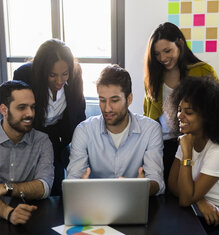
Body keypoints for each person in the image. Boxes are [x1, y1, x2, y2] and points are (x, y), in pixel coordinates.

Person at [67, 64, 165, 196]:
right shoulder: (84, 130)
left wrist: (142, 188)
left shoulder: (151, 130)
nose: (107, 108)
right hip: (95, 204)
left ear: (129, 99)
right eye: (102, 100)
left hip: (135, 201)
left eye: (114, 100)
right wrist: (78, 186)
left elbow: (157, 181)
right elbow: (72, 181)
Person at [143, 22, 217, 186]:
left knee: (190, 192)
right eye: (157, 54)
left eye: (167, 51)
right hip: (163, 146)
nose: (162, 58)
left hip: (196, 145)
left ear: (180, 43)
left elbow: (214, 111)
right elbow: (148, 117)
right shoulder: (154, 78)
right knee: (167, 195)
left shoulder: (203, 71)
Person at [13, 39, 86, 195]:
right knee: (35, 188)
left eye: (64, 74)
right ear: (42, 70)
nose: (59, 81)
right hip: (31, 134)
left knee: (56, 187)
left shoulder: (75, 74)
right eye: (52, 75)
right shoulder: (25, 75)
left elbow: (79, 112)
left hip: (59, 136)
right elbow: (17, 116)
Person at [168, 76, 219, 235]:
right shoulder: (187, 139)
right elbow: (173, 184)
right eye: (179, 109)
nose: (180, 116)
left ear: (206, 116)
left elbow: (184, 199)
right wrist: (200, 200)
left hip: (214, 221)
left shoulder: (216, 151)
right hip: (195, 213)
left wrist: (187, 153)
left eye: (188, 112)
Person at [0, 80, 54, 225]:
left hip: (31, 217)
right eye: (22, 107)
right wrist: (7, 212)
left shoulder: (42, 141)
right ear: (4, 110)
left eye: (32, 107)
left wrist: (7, 188)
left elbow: (44, 187)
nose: (30, 113)